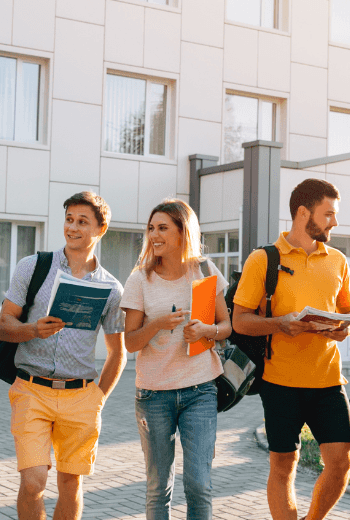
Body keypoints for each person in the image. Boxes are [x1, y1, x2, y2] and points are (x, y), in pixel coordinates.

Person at [231, 178, 350, 520]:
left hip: (328, 381)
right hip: (280, 381)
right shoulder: (262, 259)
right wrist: (280, 323)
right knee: (284, 464)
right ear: (304, 212)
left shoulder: (338, 261)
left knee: (341, 462)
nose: (334, 221)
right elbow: (240, 321)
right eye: (328, 213)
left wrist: (346, 328)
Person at [0, 191, 126, 520]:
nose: (72, 227)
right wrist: (32, 331)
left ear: (101, 228)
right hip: (31, 389)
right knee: (33, 482)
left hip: (81, 395)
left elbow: (117, 352)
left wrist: (98, 398)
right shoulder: (33, 267)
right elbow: (4, 325)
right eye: (69, 219)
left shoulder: (111, 288)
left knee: (70, 484)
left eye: (82, 222)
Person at [122, 199, 232, 520]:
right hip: (154, 394)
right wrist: (157, 324)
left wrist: (206, 330)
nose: (154, 235)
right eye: (151, 228)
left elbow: (226, 326)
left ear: (183, 231)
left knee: (198, 483)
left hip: (200, 390)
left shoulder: (205, 271)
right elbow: (129, 342)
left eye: (163, 228)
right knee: (159, 487)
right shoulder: (140, 279)